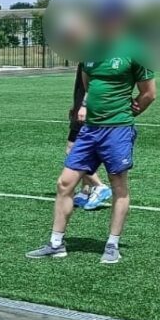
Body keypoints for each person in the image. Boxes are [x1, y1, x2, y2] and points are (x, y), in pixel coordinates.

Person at [27, 0, 156, 264]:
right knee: (64, 183)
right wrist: (86, 106)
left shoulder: (135, 50)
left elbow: (148, 94)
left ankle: (112, 245)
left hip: (117, 130)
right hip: (90, 130)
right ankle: (56, 244)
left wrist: (129, 113)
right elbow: (87, 84)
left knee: (119, 186)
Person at [68, 61, 111, 211]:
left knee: (72, 150)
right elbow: (82, 85)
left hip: (88, 109)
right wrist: (76, 104)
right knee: (86, 152)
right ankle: (85, 191)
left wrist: (84, 105)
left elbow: (93, 83)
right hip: (84, 106)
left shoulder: (92, 54)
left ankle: (99, 186)